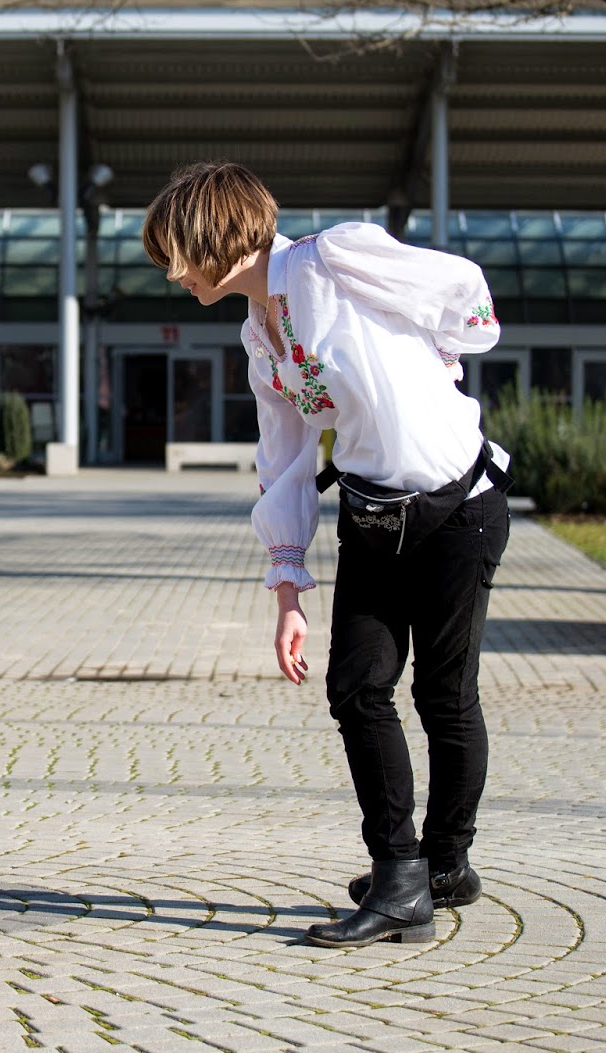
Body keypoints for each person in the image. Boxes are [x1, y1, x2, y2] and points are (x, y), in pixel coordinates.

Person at [142, 161, 512, 949]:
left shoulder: (332, 258)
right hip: (377, 516)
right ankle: (401, 875)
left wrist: (440, 350)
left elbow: (461, 287)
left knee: (445, 697)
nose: (172, 273)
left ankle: (445, 864)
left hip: (461, 506)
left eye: (174, 251)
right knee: (357, 689)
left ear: (211, 235)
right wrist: (286, 591)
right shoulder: (257, 336)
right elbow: (283, 462)